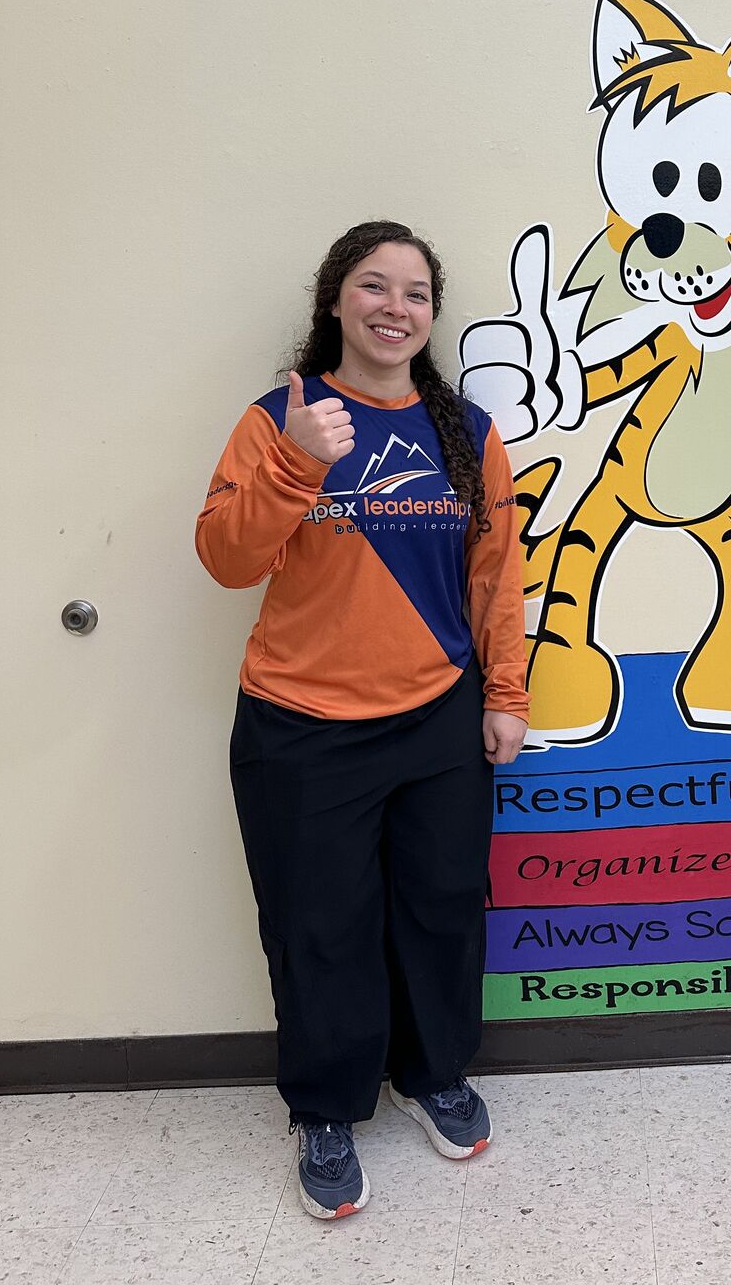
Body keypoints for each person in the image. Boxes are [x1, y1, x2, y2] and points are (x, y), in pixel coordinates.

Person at [196, 220, 528, 1220]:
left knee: (439, 908)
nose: (396, 307)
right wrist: (297, 464)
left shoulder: (466, 430)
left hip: (437, 717)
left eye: (416, 292)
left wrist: (505, 694)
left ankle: (431, 1073)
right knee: (318, 927)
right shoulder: (280, 418)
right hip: (301, 723)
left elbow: (497, 575)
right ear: (335, 301)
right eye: (373, 286)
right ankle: (327, 1105)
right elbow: (224, 557)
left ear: (431, 315)